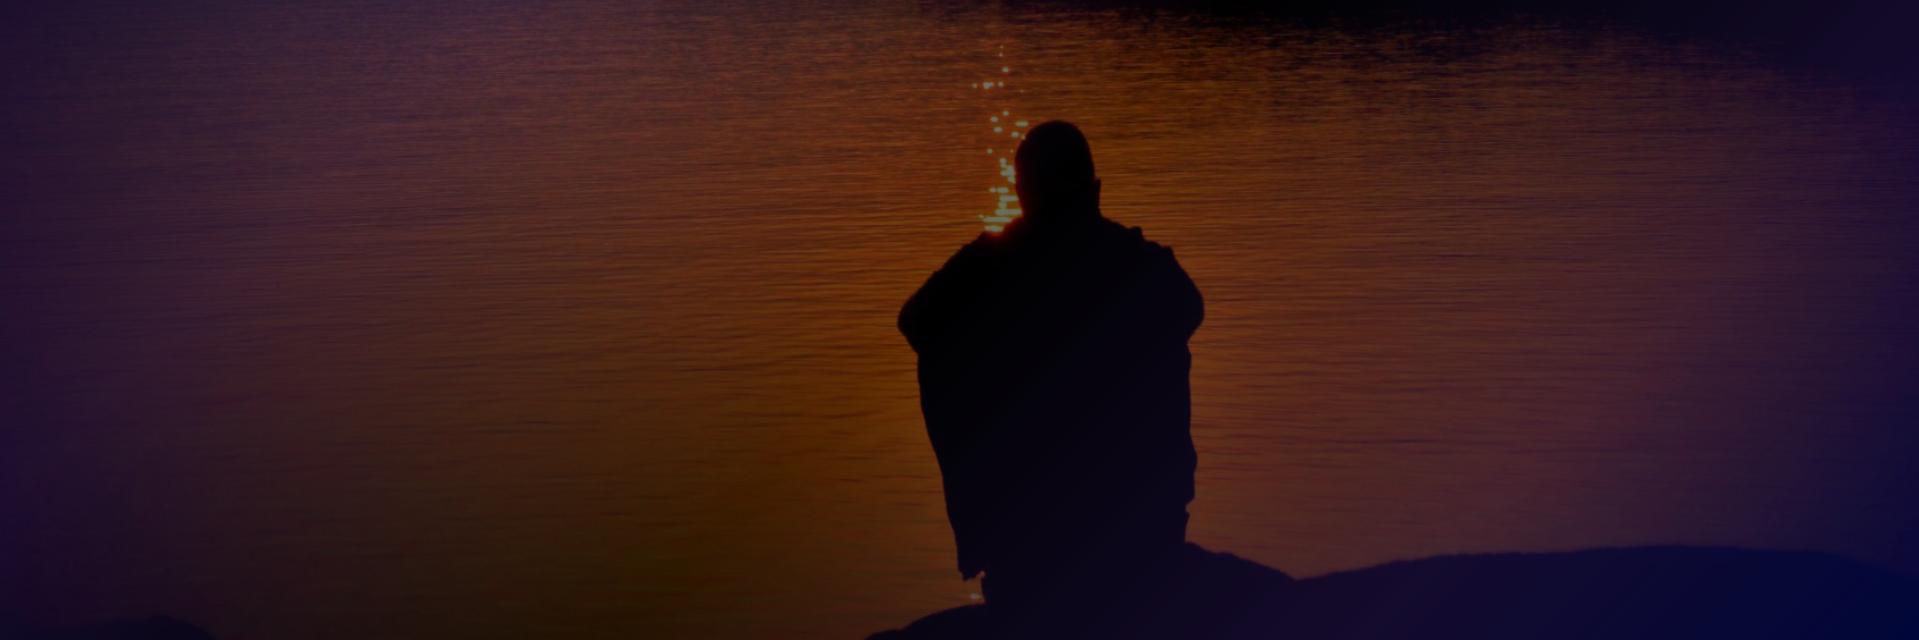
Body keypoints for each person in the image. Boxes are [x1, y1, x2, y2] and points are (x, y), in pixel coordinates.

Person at [899, 121, 1245, 632]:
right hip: (1134, 529)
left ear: (1023, 195)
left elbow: (918, 321)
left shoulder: (998, 265)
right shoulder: (1137, 263)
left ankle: (1003, 531)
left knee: (952, 353)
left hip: (1038, 535)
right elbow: (1189, 307)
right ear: (1095, 191)